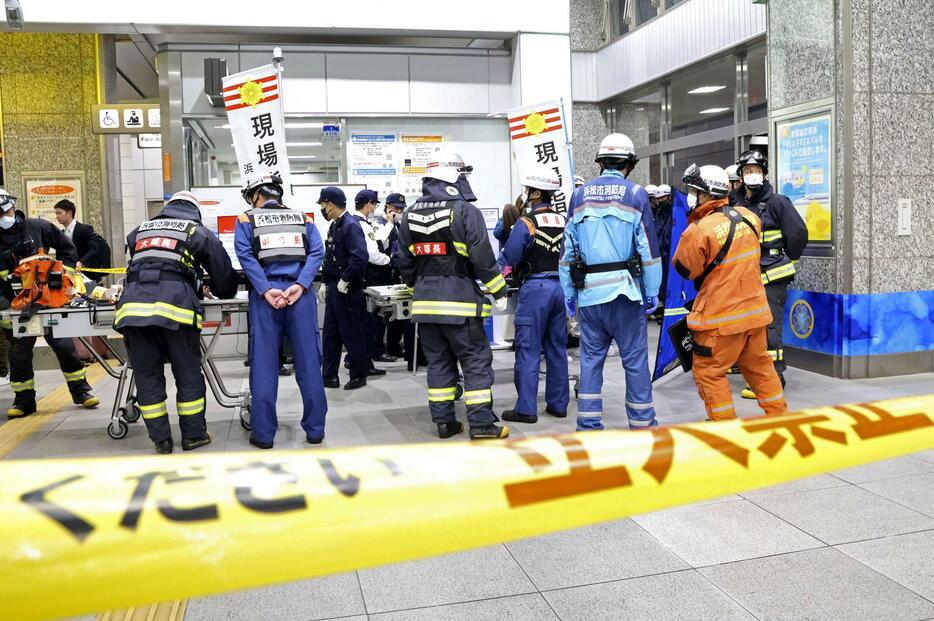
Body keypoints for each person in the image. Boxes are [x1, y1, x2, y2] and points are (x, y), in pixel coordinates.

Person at [395, 151, 509, 440]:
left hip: (425, 306)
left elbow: (404, 261)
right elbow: (482, 257)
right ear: (454, 176)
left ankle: (445, 422)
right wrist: (499, 290)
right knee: (475, 362)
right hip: (460, 304)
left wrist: (414, 289)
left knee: (439, 364)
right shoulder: (465, 211)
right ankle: (482, 424)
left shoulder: (408, 214)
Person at [116, 191, 237, 453]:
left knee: (147, 376)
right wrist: (211, 287)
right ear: (195, 211)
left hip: (133, 311)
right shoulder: (196, 231)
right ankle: (194, 436)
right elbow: (224, 278)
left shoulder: (138, 231)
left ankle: (161, 440)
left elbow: (151, 265)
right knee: (187, 373)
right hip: (176, 311)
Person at [559, 133, 661, 431]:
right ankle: (642, 422)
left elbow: (568, 249)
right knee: (635, 360)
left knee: (590, 361)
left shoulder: (579, 196)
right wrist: (652, 291)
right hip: (626, 295)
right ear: (629, 163)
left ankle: (588, 425)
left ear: (601, 162)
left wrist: (569, 292)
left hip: (589, 295)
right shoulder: (635, 194)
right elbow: (648, 249)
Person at [671, 164, 788, 420]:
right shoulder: (750, 218)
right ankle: (779, 418)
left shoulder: (698, 231)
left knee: (709, 373)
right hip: (755, 314)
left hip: (720, 320)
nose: (691, 195)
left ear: (707, 193)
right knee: (760, 367)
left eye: (694, 190)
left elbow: (685, 270)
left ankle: (725, 429)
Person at [235, 174, 328, 449]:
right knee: (309, 363)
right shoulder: (304, 219)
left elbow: (244, 255)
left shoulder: (246, 220)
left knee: (264, 364)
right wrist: (301, 285)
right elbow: (317, 252)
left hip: (267, 299)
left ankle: (264, 435)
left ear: (256, 196)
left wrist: (264, 289)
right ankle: (315, 431)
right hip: (300, 297)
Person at [0, 188, 99, 418]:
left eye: (5, 211)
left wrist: (58, 279)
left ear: (13, 208)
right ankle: (24, 401)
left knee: (64, 346)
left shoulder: (36, 227)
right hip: (16, 307)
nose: (4, 217)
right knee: (19, 353)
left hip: (48, 301)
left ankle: (81, 391)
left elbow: (67, 249)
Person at [732, 150, 808, 398]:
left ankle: (774, 379)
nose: (752, 175)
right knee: (750, 329)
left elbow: (797, 234)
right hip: (746, 275)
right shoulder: (736, 204)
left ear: (764, 174)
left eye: (756, 171)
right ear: (741, 176)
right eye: (747, 171)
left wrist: (785, 258)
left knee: (769, 327)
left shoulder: (778, 203)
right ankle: (755, 374)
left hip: (773, 275)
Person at [500, 165, 569, 424]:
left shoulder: (527, 223)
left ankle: (527, 408)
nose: (526, 193)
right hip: (561, 289)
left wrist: (494, 277)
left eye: (528, 189)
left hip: (535, 290)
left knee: (528, 349)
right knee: (556, 348)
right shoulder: (565, 220)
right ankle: (558, 404)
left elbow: (510, 257)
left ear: (537, 193)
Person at [319, 186, 370, 390]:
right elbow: (329, 257)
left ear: (330, 204)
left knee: (351, 332)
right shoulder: (334, 226)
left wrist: (346, 279)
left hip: (348, 288)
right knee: (330, 333)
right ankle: (329, 375)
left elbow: (360, 257)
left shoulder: (350, 226)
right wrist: (324, 281)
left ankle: (359, 374)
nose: (323, 209)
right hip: (334, 286)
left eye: (323, 205)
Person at [352, 189, 394, 369]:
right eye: (375, 204)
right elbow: (373, 254)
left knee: (363, 321)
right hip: (367, 276)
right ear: (369, 204)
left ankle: (358, 360)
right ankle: (364, 362)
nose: (375, 208)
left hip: (358, 278)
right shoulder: (362, 224)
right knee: (368, 322)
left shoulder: (354, 222)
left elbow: (377, 241)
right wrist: (389, 260)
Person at [53, 199, 100, 275]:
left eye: (59, 213)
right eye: (56, 213)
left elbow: (94, 249)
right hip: (67, 276)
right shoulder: (61, 233)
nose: (57, 216)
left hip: (87, 275)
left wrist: (82, 262)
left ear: (70, 213)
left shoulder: (85, 229)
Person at [652, 184, 674, 313]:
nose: (660, 201)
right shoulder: (659, 213)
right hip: (661, 253)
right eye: (658, 199)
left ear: (669, 197)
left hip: (669, 253)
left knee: (668, 283)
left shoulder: (674, 213)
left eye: (663, 198)